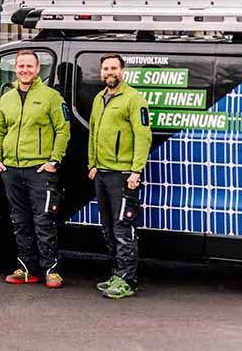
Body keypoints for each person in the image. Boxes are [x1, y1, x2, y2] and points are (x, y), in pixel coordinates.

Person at [0, 50, 70, 288]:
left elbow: (63, 130)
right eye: (21, 66)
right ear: (15, 69)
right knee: (19, 220)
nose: (25, 70)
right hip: (12, 169)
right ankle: (27, 268)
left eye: (29, 66)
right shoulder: (7, 98)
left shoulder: (51, 97)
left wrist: (54, 160)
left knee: (43, 220)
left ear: (38, 70)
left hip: (39, 169)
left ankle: (51, 270)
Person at [88, 53, 152, 299]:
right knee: (108, 228)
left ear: (122, 71)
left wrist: (136, 170)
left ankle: (128, 280)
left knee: (124, 228)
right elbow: (94, 132)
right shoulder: (99, 98)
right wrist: (92, 163)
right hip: (102, 172)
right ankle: (116, 274)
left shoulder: (134, 99)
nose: (109, 72)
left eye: (113, 68)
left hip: (124, 174)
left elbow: (143, 136)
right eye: (105, 68)